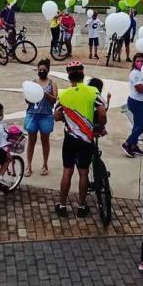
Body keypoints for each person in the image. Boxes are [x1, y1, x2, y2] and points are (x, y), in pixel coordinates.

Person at [53, 61, 107, 217]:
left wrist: (67, 116)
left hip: (69, 138)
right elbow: (102, 113)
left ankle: (62, 205)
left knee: (67, 171)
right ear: (83, 75)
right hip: (86, 139)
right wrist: (100, 126)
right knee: (83, 173)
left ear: (69, 77)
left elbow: (56, 116)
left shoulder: (63, 94)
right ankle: (81, 207)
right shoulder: (93, 92)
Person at [24, 59, 58, 176]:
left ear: (48, 70)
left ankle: (45, 164)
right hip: (33, 114)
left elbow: (54, 99)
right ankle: (28, 165)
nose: (41, 71)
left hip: (46, 115)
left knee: (45, 140)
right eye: (39, 70)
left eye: (44, 70)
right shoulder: (33, 82)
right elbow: (27, 100)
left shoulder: (52, 83)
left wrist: (44, 93)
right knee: (31, 141)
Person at [122, 53, 143, 158]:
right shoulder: (135, 74)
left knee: (137, 125)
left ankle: (133, 145)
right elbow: (140, 89)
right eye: (137, 61)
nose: (139, 63)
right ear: (134, 62)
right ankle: (127, 143)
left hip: (142, 102)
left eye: (142, 61)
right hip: (136, 102)